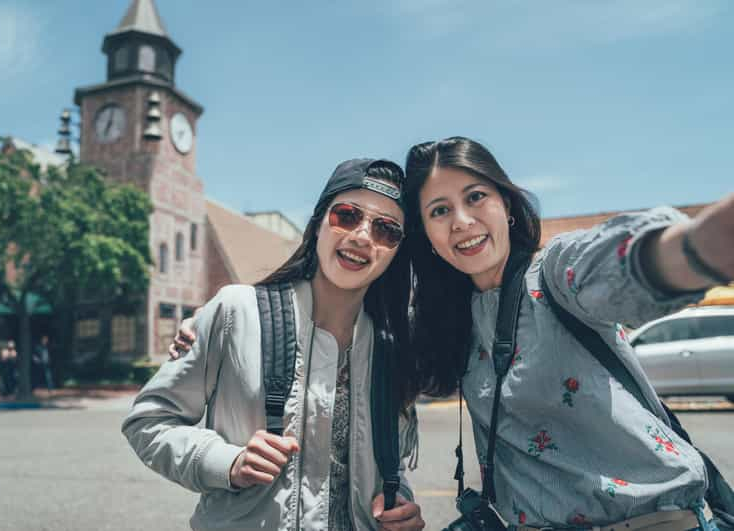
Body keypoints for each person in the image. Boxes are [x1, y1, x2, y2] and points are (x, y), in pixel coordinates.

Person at [401, 136, 733, 531]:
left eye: (475, 197)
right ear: (428, 237)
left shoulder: (554, 276)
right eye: (440, 210)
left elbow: (625, 263)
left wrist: (698, 246)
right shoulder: (448, 321)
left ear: (505, 204)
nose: (461, 220)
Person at [123, 158, 425, 531]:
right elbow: (149, 421)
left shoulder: (391, 347)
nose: (363, 236)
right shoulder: (237, 312)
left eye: (386, 230)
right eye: (347, 215)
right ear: (317, 225)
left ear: (396, 251)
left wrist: (401, 504)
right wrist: (227, 462)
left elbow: (382, 466)